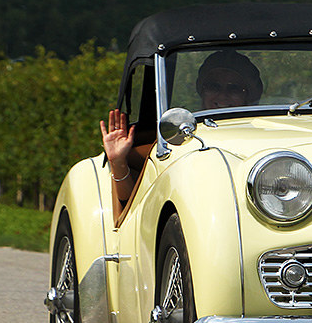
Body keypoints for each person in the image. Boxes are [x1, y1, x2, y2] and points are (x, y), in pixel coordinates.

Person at [101, 50, 262, 207]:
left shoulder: (261, 136)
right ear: (202, 90)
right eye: (213, 86)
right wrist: (118, 161)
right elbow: (131, 202)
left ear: (248, 94)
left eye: (234, 88)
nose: (222, 95)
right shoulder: (178, 137)